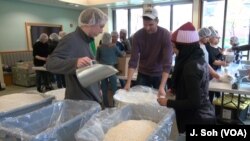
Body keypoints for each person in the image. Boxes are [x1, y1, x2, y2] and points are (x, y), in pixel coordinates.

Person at [157, 22, 216, 134]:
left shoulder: (190, 67)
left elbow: (194, 102)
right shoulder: (197, 58)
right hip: (205, 115)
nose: (173, 51)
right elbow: (193, 87)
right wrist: (174, 90)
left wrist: (167, 102)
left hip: (198, 119)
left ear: (184, 47)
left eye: (175, 47)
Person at [46, 7, 108, 103]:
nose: (101, 31)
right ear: (91, 23)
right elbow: (50, 64)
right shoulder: (70, 40)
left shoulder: (86, 41)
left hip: (91, 97)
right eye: (101, 26)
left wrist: (97, 88)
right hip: (79, 102)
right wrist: (75, 63)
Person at [124, 7, 172, 97]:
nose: (147, 28)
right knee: (140, 100)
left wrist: (162, 86)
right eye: (145, 24)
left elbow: (167, 63)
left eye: (151, 25)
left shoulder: (165, 35)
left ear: (157, 22)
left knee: (159, 102)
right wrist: (128, 82)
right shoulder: (137, 36)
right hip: (143, 73)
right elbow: (133, 60)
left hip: (159, 74)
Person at [96, 32, 125, 107]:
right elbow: (121, 55)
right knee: (114, 88)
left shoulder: (99, 47)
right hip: (112, 69)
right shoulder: (114, 46)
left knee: (104, 88)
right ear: (110, 39)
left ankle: (105, 105)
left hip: (103, 69)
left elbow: (97, 59)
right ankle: (115, 105)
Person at [206, 26, 227, 103]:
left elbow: (218, 58)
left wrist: (221, 54)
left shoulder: (218, 47)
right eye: (216, 38)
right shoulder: (207, 47)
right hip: (210, 72)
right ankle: (211, 105)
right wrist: (224, 63)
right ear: (210, 38)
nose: (218, 39)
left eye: (219, 38)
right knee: (211, 90)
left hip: (218, 70)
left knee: (218, 90)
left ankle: (219, 107)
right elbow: (213, 61)